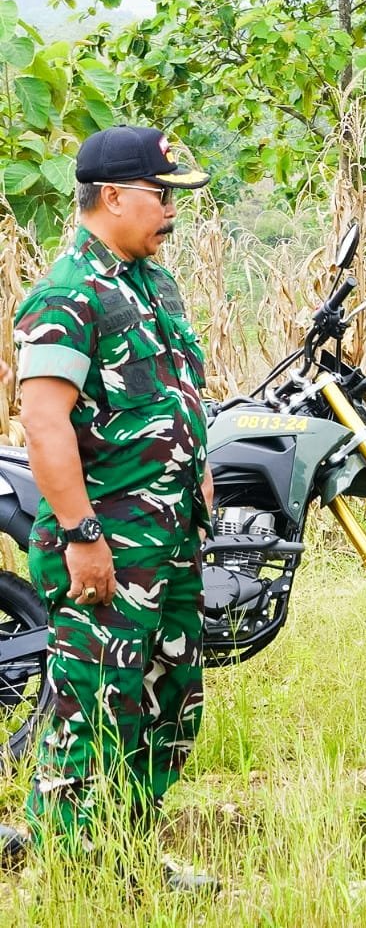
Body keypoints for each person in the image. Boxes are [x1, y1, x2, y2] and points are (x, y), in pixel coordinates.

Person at [5, 125, 216, 890]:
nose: (170, 211)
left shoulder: (152, 284)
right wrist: (80, 533)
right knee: (93, 705)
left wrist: (199, 482)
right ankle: (67, 864)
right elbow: (44, 421)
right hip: (108, 540)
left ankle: (126, 850)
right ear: (115, 196)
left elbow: (175, 394)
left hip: (170, 539)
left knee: (169, 700)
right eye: (161, 196)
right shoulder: (67, 293)